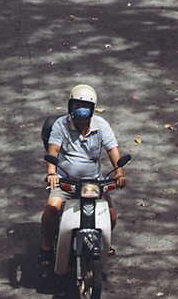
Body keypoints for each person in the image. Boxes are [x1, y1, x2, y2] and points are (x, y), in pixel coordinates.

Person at [40, 84, 127, 269]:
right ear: (70, 106)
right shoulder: (60, 125)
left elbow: (112, 150)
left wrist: (119, 171)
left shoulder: (102, 125)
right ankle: (47, 246)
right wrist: (51, 173)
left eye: (85, 106)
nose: (80, 109)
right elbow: (53, 150)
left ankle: (102, 242)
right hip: (65, 183)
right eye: (77, 105)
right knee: (52, 208)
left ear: (92, 108)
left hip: (93, 183)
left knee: (111, 217)